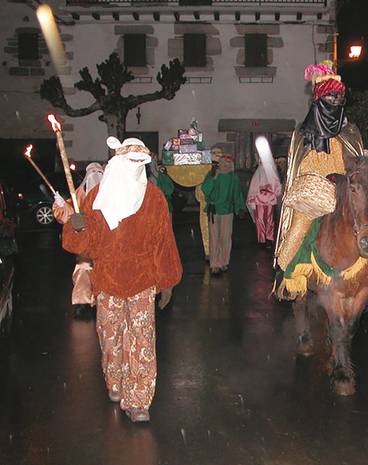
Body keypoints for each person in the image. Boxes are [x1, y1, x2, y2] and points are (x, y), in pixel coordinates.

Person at [61, 137, 182, 423]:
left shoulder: (154, 198)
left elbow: (164, 241)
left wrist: (167, 280)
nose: (135, 168)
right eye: (131, 162)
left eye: (140, 163)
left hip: (142, 280)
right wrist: (77, 228)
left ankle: (139, 401)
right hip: (108, 280)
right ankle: (115, 381)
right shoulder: (96, 198)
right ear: (117, 162)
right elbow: (86, 246)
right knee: (110, 336)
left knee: (142, 341)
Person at [274, 61, 364, 298]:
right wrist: (318, 180)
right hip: (313, 193)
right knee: (300, 226)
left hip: (344, 193)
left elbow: (356, 164)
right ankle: (285, 273)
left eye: (339, 98)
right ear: (319, 100)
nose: (335, 102)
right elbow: (297, 168)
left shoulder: (350, 132)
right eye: (330, 97)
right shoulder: (302, 133)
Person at [53, 162, 104, 318]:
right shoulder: (79, 195)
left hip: (104, 242)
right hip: (85, 241)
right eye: (92, 172)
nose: (95, 176)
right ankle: (83, 304)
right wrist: (61, 204)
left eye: (98, 172)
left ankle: (103, 302)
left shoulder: (109, 192)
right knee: (83, 268)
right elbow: (69, 215)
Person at [201, 153, 246, 275]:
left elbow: (237, 194)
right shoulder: (213, 175)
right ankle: (214, 264)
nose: (226, 165)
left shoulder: (233, 177)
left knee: (225, 238)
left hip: (227, 211)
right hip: (214, 210)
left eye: (228, 163)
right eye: (224, 163)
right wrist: (214, 177)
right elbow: (205, 189)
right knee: (214, 237)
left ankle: (224, 262)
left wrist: (240, 208)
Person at [247, 152, 282, 248]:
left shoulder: (270, 170)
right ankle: (262, 239)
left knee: (268, 219)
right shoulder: (259, 170)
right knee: (261, 219)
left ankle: (268, 238)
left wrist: (278, 192)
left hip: (269, 198)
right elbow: (254, 186)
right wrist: (252, 199)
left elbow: (276, 184)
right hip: (260, 198)